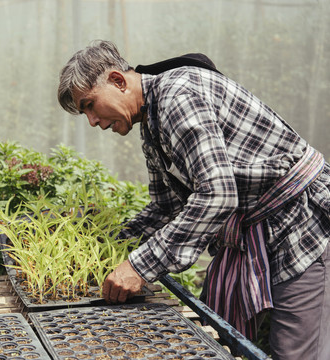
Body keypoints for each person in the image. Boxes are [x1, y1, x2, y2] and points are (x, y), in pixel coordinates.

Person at [57, 40, 330, 360]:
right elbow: (166, 207)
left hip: (301, 222)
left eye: (89, 105)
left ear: (118, 81)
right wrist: (108, 245)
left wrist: (139, 266)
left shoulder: (178, 96)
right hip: (260, 226)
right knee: (215, 334)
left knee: (294, 351)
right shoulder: (153, 124)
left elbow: (218, 195)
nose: (92, 121)